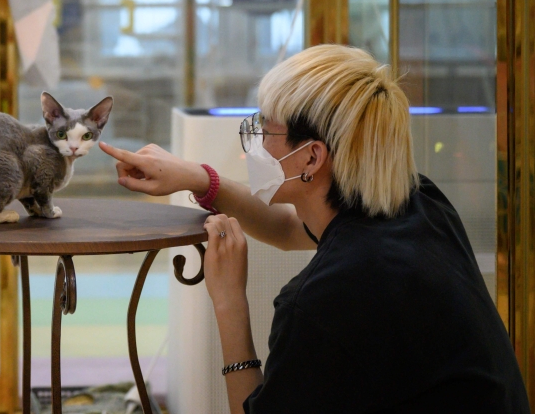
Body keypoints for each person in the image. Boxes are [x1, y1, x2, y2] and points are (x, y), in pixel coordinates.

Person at [100, 44, 529, 414]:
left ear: (311, 158)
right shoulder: (416, 202)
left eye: (264, 128)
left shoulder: (327, 297)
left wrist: (229, 301)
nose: (253, 140)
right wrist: (199, 178)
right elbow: (292, 229)